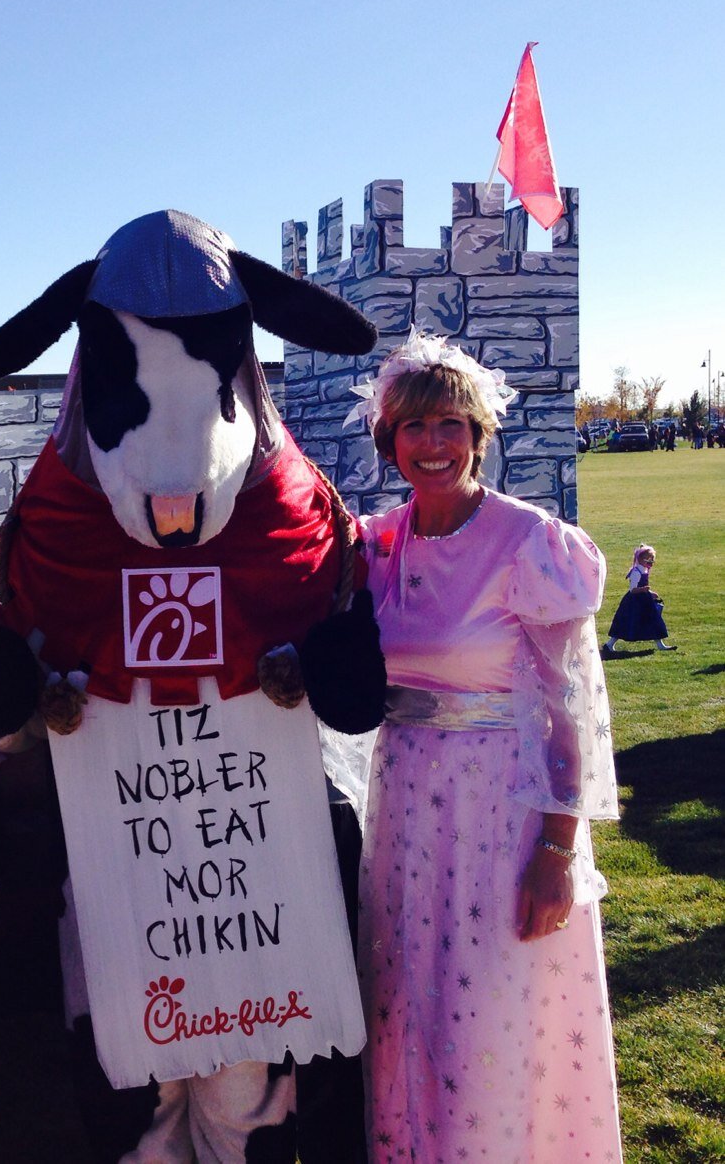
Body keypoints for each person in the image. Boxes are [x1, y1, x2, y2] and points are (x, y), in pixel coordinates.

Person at [349, 331, 624, 1162]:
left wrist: (556, 850)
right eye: (414, 428)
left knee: (493, 1018)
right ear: (388, 440)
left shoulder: (530, 544)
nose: (433, 445)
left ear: (478, 435)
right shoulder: (378, 546)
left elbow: (568, 709)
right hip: (403, 813)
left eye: (451, 425)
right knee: (409, 1007)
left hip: (498, 815)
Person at [604, 543, 676, 653]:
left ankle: (660, 644)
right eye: (649, 559)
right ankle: (610, 644)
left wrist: (650, 593)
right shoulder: (636, 572)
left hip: (645, 600)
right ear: (641, 559)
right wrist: (644, 590)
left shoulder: (644, 570)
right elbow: (633, 589)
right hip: (635, 601)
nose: (651, 562)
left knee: (653, 620)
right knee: (626, 621)